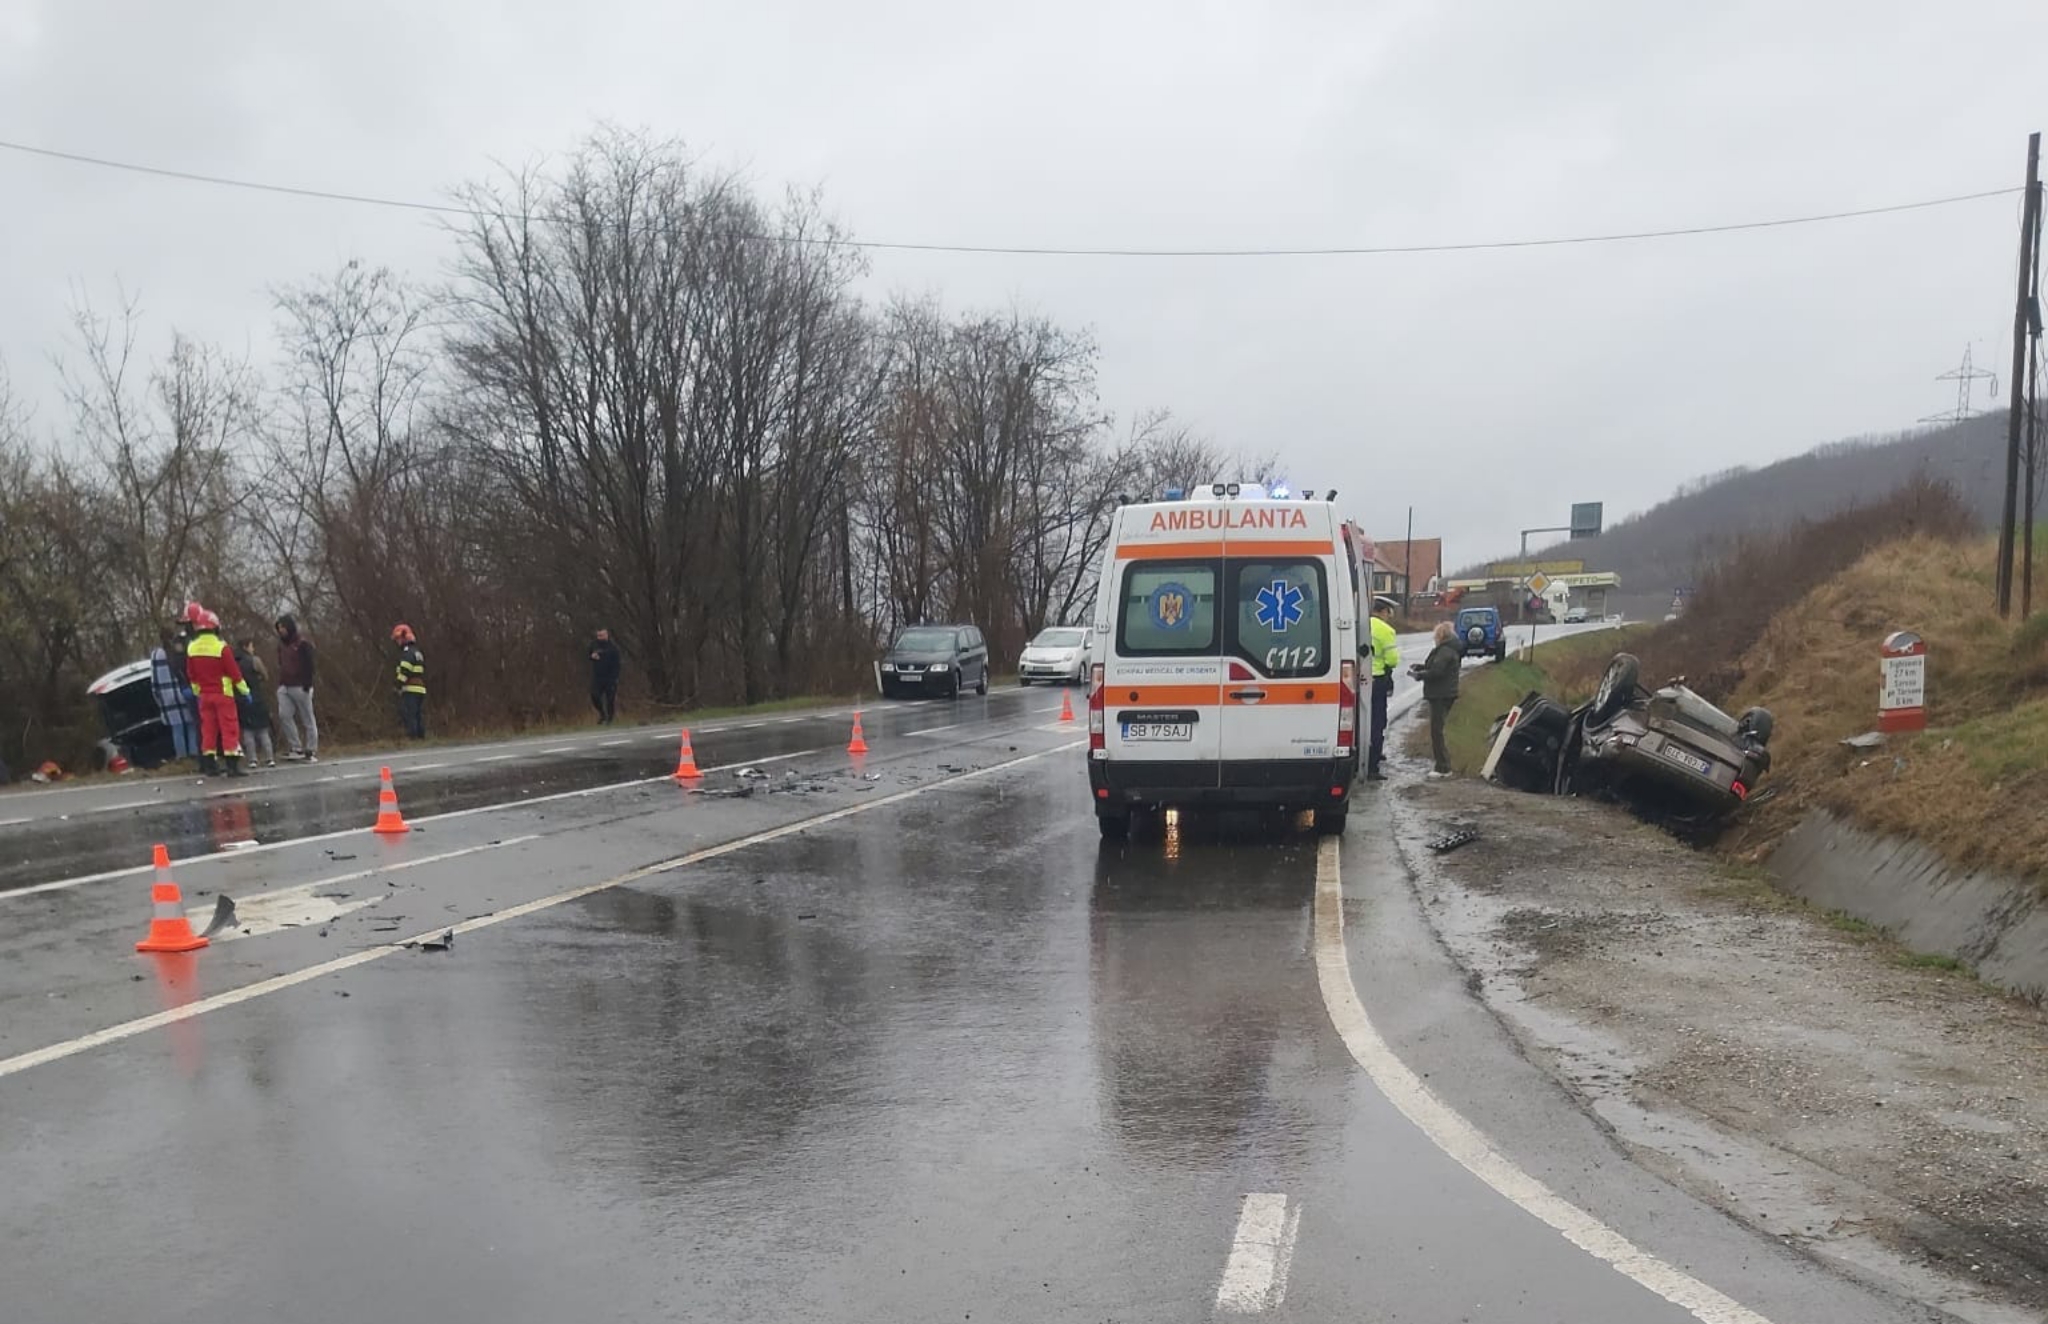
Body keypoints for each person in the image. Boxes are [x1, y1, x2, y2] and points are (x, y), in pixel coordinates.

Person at [183, 607, 249, 777]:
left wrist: (198, 691)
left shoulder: (192, 648)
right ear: (215, 626)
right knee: (229, 729)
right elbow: (234, 673)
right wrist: (245, 691)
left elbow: (191, 674)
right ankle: (232, 766)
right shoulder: (221, 647)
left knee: (208, 730)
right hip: (223, 694)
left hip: (204, 696)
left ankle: (210, 766)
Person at [1411, 621, 1463, 778]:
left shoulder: (1445, 651)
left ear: (1441, 636)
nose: (1434, 638)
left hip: (1441, 694)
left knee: (1437, 731)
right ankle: (1442, 765)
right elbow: (1437, 668)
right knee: (1437, 730)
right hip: (1444, 693)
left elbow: (1437, 672)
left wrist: (1420, 675)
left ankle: (1443, 767)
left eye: (1436, 635)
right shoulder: (1449, 650)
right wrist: (1421, 667)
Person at [150, 624, 200, 764]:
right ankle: (194, 752)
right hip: (184, 691)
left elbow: (154, 679)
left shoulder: (156, 655)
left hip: (167, 696)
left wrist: (158, 698)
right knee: (191, 724)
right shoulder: (179, 650)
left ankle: (181, 756)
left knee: (176, 727)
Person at [1364, 596, 1401, 781]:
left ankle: (1360, 759)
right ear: (1383, 611)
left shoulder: (1361, 624)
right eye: (1389, 613)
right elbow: (1393, 660)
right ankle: (1373, 765)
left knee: (1361, 721)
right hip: (1377, 680)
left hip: (1359, 680)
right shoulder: (1386, 630)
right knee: (1377, 722)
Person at [273, 614, 319, 762]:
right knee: (284, 714)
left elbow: (309, 665)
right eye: (279, 628)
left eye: (283, 627)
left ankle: (311, 749)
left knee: (307, 718)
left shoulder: (302, 643)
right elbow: (281, 663)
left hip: (301, 685)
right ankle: (295, 747)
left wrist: (307, 684)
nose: (281, 631)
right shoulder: (281, 645)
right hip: (285, 685)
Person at [235, 638, 278, 767]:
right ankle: (269, 758)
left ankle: (252, 759)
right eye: (251, 646)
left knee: (248, 732)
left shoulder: (234, 662)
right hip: (257, 697)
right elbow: (265, 675)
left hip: (242, 699)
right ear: (246, 647)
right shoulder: (254, 660)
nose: (253, 649)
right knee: (263, 730)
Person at [392, 623, 427, 739]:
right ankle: (421, 736)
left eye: (398, 639)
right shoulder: (417, 652)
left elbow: (404, 671)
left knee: (410, 714)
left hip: (411, 689)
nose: (397, 642)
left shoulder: (407, 653)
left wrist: (397, 685)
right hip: (420, 689)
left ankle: (413, 737)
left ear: (404, 637)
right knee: (418, 714)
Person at [588, 628, 622, 725]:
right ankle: (602, 714)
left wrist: (615, 678)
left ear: (607, 635)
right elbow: (588, 654)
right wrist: (592, 656)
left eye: (602, 635)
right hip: (598, 677)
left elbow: (617, 664)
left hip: (610, 678)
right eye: (598, 635)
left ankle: (610, 719)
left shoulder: (613, 648)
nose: (600, 638)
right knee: (594, 695)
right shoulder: (594, 645)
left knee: (610, 699)